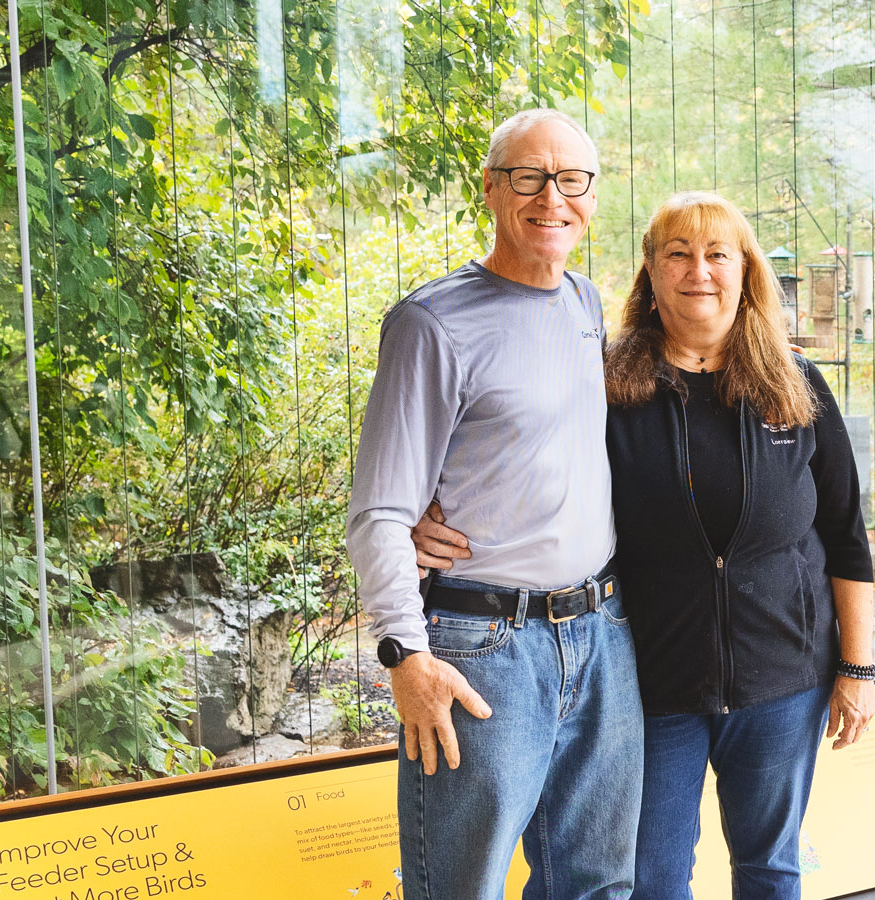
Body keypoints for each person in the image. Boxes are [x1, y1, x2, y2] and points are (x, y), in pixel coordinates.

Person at [415, 191, 875, 899]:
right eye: (678, 254)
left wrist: (858, 668)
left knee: (771, 867)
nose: (700, 270)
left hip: (784, 677)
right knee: (651, 879)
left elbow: (845, 535)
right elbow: (519, 456)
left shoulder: (797, 384)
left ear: (746, 270)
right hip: (648, 680)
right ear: (650, 274)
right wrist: (426, 512)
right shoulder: (603, 383)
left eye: (718, 254)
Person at [346, 108, 641, 900]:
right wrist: (405, 656)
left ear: (591, 194)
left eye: (571, 179)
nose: (553, 197)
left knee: (599, 885)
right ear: (490, 188)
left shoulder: (585, 304)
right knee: (461, 885)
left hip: (602, 635)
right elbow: (378, 512)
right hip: (483, 647)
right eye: (528, 176)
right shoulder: (432, 323)